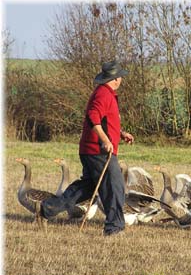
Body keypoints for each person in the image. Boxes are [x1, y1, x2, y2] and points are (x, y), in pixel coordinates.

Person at [39, 60, 134, 236]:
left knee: (87, 187)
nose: (121, 78)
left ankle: (48, 208)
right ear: (115, 79)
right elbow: (93, 118)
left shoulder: (104, 93)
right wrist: (106, 140)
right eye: (120, 76)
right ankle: (114, 228)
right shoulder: (103, 95)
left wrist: (120, 133)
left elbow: (104, 120)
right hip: (99, 151)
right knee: (115, 187)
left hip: (91, 150)